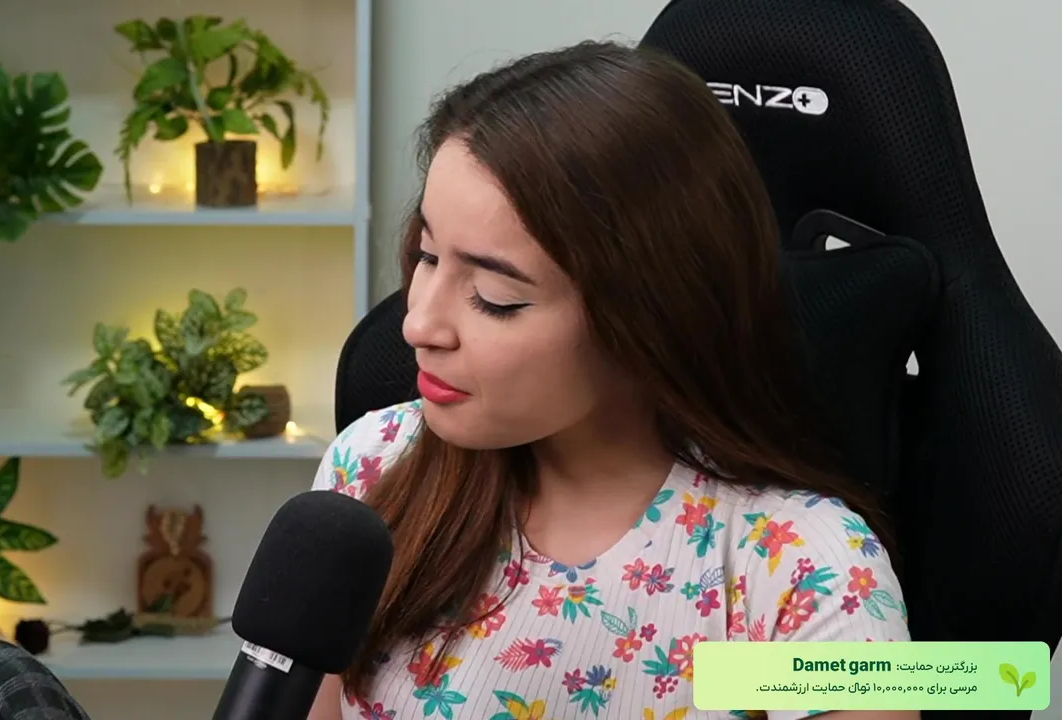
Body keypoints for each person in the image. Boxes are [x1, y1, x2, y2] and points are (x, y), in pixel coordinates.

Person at [308, 40, 913, 720]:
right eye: (426, 256)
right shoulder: (371, 470)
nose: (418, 323)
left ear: (648, 318)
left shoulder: (796, 567)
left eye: (495, 298)